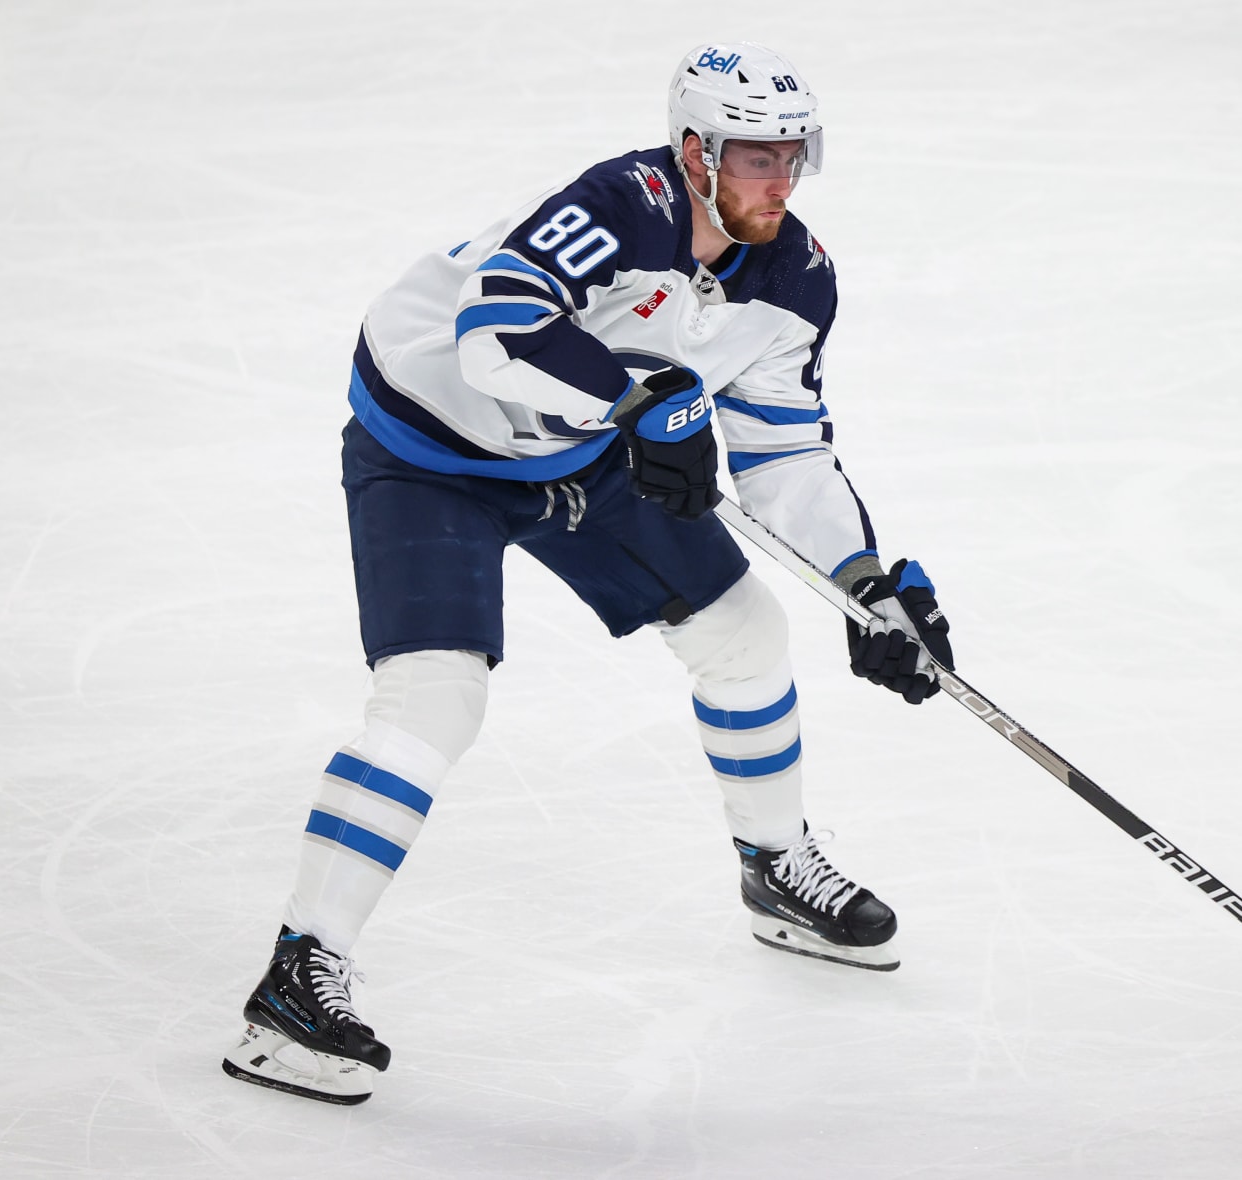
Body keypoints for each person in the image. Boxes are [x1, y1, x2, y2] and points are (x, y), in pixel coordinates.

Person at [222, 41, 954, 1106]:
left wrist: (866, 583)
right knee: (436, 697)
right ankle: (296, 976)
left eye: (794, 157)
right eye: (756, 158)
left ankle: (775, 868)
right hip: (431, 449)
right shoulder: (621, 202)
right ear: (696, 151)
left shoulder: (796, 278)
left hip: (584, 448)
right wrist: (634, 403)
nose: (780, 183)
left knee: (745, 634)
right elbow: (497, 332)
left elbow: (788, 452)